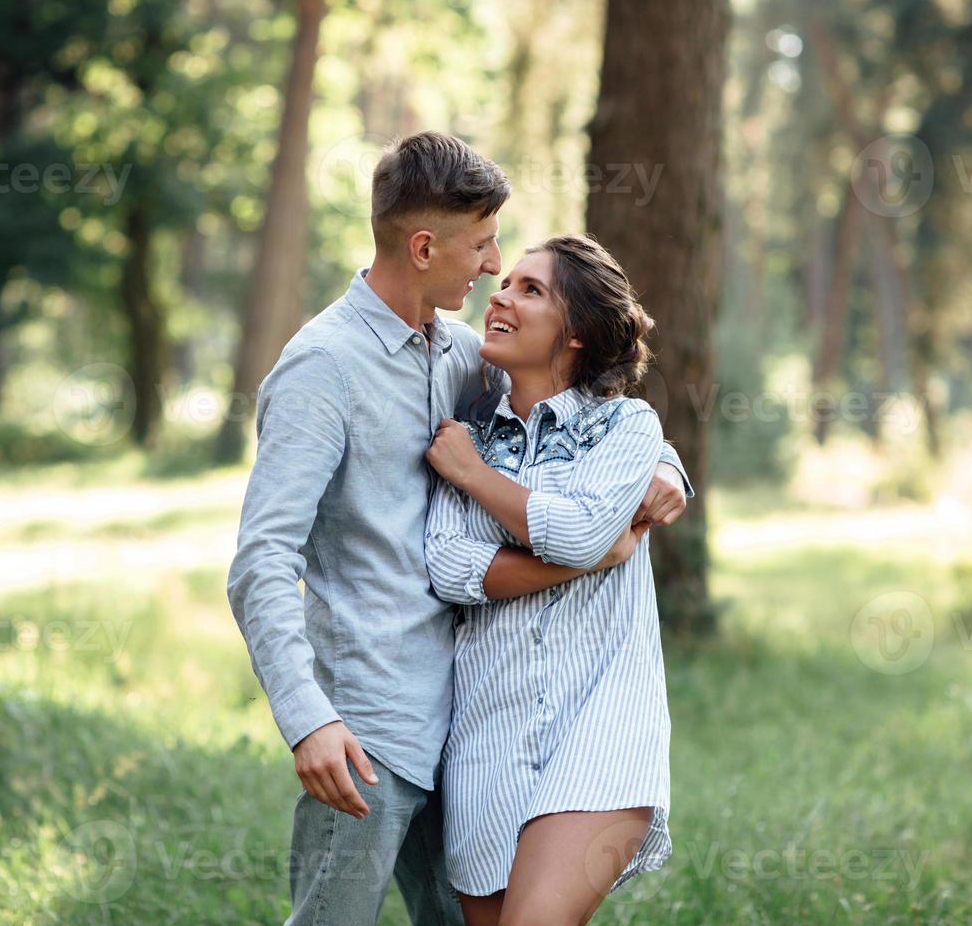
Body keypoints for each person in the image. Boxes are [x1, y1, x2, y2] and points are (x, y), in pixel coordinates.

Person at [226, 132, 690, 925]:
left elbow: (585, 400)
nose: (489, 266)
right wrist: (310, 718)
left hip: (468, 722)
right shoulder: (322, 369)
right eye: (481, 245)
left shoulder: (461, 354)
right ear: (422, 245)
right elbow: (261, 561)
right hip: (366, 732)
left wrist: (667, 471)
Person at [424, 234, 683, 926]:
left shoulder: (626, 428)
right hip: (487, 737)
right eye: (505, 283)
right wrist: (595, 555)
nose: (501, 296)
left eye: (531, 289)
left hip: (602, 725)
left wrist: (479, 484)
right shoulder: (467, 433)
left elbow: (579, 530)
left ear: (576, 335)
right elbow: (451, 568)